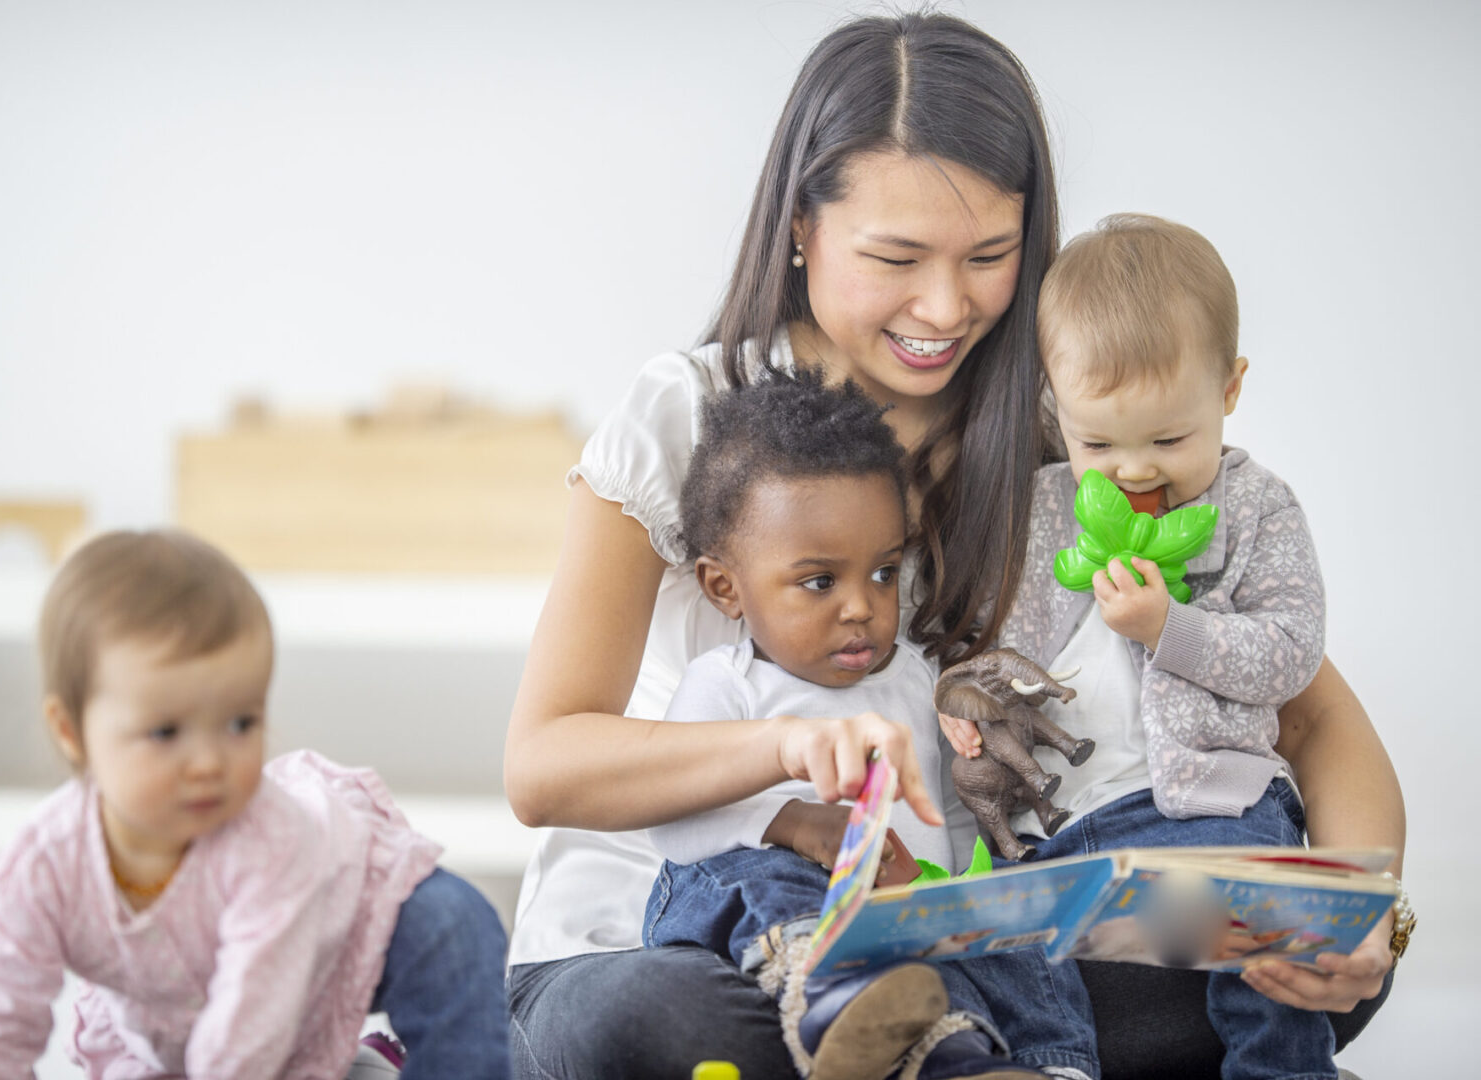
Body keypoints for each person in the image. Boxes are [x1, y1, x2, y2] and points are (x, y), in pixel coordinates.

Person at [503, 13, 1404, 1080]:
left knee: (1276, 981)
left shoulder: (1066, 450)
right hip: (664, 936)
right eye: (896, 257)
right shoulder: (693, 415)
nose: (945, 306)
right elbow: (544, 765)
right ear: (802, 227)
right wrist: (786, 758)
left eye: (989, 256)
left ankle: (944, 1047)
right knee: (663, 1024)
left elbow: (1307, 704)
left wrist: (1367, 915)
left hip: (949, 942)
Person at [946, 212, 1338, 1079]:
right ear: (1055, 407)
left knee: (1265, 933)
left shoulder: (1255, 509)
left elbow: (1289, 653)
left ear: (1228, 390)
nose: (1131, 470)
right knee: (996, 953)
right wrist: (967, 709)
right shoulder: (1037, 510)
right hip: (1063, 828)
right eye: (1097, 443)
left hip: (1210, 804)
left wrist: (1171, 629)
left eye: (1168, 440)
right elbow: (984, 650)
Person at [0, 529, 512, 1080]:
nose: (210, 763)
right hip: (184, 1018)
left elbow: (249, 1026)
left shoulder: (268, 836)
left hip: (332, 932)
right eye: (166, 732)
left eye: (241, 723)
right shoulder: (45, 863)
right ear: (71, 732)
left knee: (455, 926)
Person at [639, 369, 1049, 1080]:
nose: (861, 607)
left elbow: (950, 814)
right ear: (724, 588)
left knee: (1016, 918)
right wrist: (796, 825)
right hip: (772, 931)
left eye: (884, 573)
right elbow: (671, 827)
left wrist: (945, 889)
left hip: (900, 922)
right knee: (752, 872)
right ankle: (831, 988)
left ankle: (1021, 1061)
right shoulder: (726, 684)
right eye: (820, 582)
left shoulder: (915, 679)